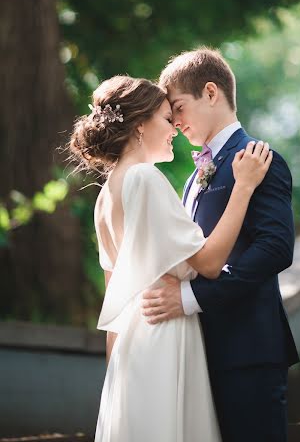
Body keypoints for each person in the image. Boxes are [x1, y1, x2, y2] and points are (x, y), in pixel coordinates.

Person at [69, 74, 272, 442]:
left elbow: (113, 300)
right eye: (166, 118)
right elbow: (209, 263)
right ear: (139, 126)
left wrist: (117, 379)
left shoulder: (104, 197)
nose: (175, 129)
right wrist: (242, 188)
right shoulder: (145, 179)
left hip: (131, 346)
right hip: (164, 335)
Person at [141, 48, 300, 442]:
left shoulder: (260, 159)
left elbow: (276, 248)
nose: (174, 123)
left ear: (211, 92)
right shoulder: (192, 178)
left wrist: (191, 297)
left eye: (178, 107)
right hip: (196, 351)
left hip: (248, 350)